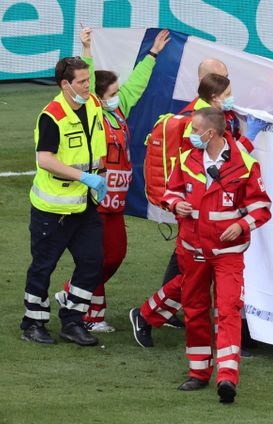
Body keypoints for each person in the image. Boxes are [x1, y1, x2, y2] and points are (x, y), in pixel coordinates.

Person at [130, 64, 251, 348]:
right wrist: (248, 140)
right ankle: (147, 316)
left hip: (211, 211)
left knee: (193, 276)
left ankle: (150, 316)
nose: (231, 97)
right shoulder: (195, 124)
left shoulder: (215, 116)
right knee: (192, 277)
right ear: (214, 96)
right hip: (199, 212)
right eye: (228, 93)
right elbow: (200, 166)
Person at [162, 107, 272, 403]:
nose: (190, 135)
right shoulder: (186, 159)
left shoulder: (245, 164)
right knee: (195, 310)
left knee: (228, 311)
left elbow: (262, 207)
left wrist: (240, 225)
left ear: (210, 133)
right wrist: (175, 205)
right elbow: (169, 192)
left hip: (227, 254)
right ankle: (198, 373)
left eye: (195, 131)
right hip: (193, 249)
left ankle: (227, 377)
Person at [65, 28, 169, 333]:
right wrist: (87, 49)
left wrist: (152, 55)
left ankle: (73, 292)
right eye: (110, 94)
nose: (116, 98)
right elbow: (84, 88)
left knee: (115, 255)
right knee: (99, 257)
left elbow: (136, 85)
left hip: (115, 201)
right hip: (95, 200)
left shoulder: (119, 109)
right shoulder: (93, 111)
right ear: (97, 97)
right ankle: (91, 316)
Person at [21, 55, 107, 346]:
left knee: (92, 261)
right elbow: (44, 159)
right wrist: (84, 177)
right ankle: (32, 322)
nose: (87, 86)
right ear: (65, 85)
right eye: (82, 82)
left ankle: (73, 320)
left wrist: (86, 46)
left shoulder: (91, 102)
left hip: (85, 204)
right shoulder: (52, 115)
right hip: (54, 208)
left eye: (88, 80)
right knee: (44, 265)